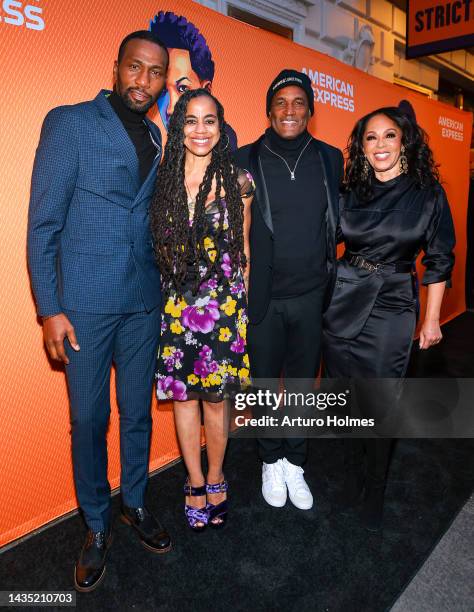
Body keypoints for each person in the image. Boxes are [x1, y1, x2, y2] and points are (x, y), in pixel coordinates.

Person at [27, 31, 172, 592]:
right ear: (117, 68)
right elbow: (43, 224)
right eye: (135, 67)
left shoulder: (160, 138)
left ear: (163, 80)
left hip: (143, 301)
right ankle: (95, 524)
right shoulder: (69, 122)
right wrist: (49, 309)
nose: (143, 80)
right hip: (84, 304)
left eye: (154, 72)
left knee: (137, 412)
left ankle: (134, 502)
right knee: (89, 421)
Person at [322, 106, 455, 530]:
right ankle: (347, 475)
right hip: (343, 298)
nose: (380, 145)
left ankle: (374, 486)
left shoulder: (428, 194)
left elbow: (439, 261)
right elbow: (322, 242)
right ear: (361, 148)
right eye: (371, 138)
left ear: (405, 141)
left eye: (389, 136)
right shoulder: (349, 192)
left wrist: (431, 320)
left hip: (394, 303)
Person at [233, 69, 344, 510]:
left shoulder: (331, 158)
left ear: (311, 110)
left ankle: (295, 462)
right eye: (281, 102)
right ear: (268, 110)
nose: (290, 110)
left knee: (301, 385)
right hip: (262, 295)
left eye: (299, 102)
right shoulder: (244, 158)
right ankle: (270, 458)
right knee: (263, 385)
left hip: (312, 295)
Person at [150, 88, 253, 530]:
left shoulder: (240, 181)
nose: (200, 129)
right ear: (178, 127)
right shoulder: (163, 179)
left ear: (221, 126)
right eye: (190, 120)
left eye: (209, 120)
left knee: (215, 400)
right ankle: (192, 479)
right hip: (176, 306)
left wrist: (241, 313)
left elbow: (244, 249)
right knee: (183, 401)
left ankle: (215, 476)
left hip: (223, 307)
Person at [149, 10, 238, 150]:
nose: (171, 108)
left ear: (206, 90)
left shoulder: (224, 150)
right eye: (163, 90)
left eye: (183, 88)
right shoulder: (154, 145)